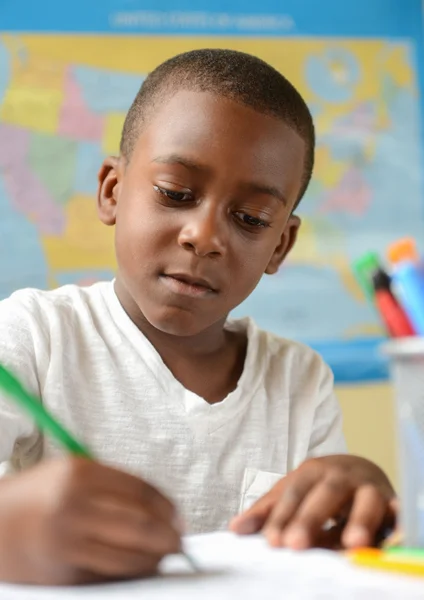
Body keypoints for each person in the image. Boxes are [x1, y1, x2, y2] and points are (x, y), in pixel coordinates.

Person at [0, 48, 395, 585]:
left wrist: (352, 495)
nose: (204, 237)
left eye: (251, 219)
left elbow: (320, 557)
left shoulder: (299, 382)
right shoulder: (32, 336)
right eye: (175, 193)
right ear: (112, 191)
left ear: (281, 245)